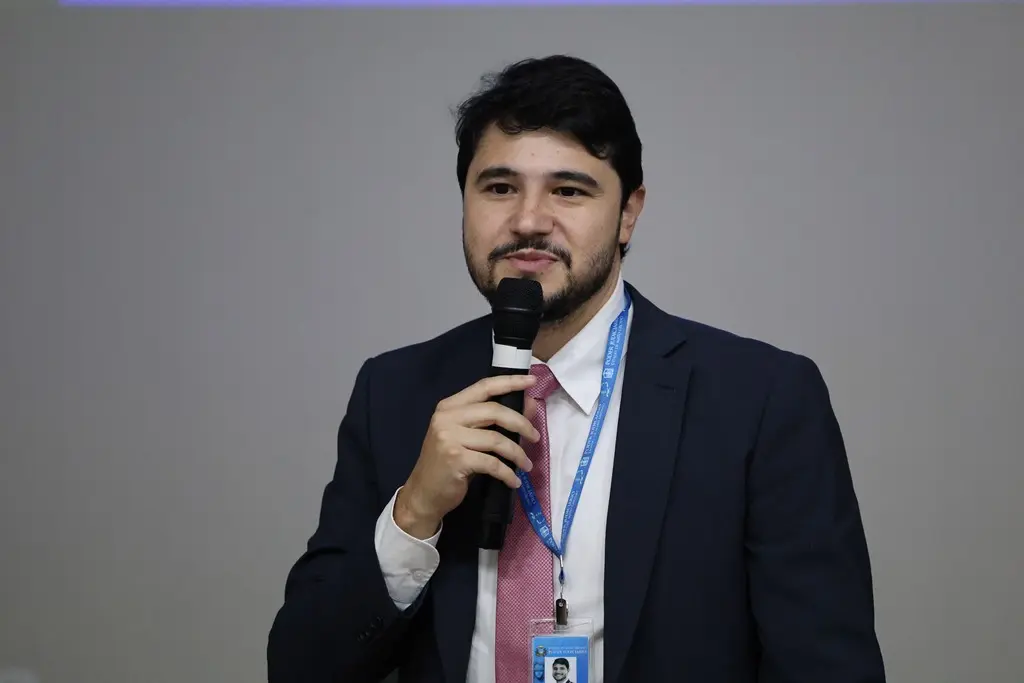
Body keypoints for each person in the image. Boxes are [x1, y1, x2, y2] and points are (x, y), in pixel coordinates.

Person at [267, 54, 886, 683]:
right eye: (499, 187)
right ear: (464, 206)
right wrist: (414, 514)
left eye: (569, 190)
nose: (529, 220)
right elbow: (301, 667)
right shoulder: (395, 392)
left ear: (629, 214)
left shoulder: (760, 402)